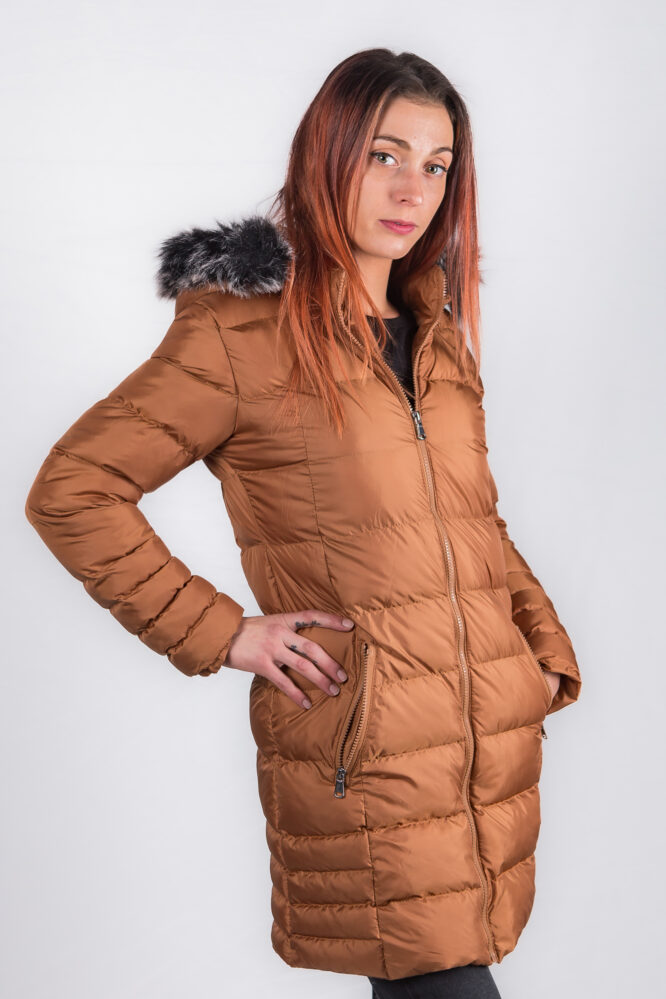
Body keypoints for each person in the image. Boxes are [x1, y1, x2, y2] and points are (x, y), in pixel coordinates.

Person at [24, 48, 582, 997]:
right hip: (369, 754)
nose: (413, 190)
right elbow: (74, 488)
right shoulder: (240, 335)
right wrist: (223, 632)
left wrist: (539, 650)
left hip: (485, 751)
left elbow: (472, 521)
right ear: (327, 153)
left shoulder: (435, 332)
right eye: (384, 155)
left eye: (437, 165)